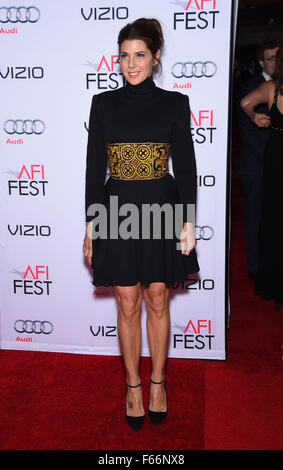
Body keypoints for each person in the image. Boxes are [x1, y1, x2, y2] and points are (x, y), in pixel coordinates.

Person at [83, 18, 199, 431]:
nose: (131, 64)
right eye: (125, 56)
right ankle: (132, 385)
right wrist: (92, 223)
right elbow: (94, 169)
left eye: (140, 55)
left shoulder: (174, 103)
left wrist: (188, 221)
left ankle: (157, 383)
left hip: (161, 209)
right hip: (116, 211)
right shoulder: (103, 103)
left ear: (155, 58)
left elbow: (185, 169)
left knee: (156, 299)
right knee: (127, 302)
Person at [240, 42, 283, 310]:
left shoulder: (271, 89)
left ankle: (270, 278)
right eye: (270, 58)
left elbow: (246, 104)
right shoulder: (261, 85)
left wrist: (256, 117)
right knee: (260, 219)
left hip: (274, 161)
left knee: (271, 221)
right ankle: (258, 268)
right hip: (260, 165)